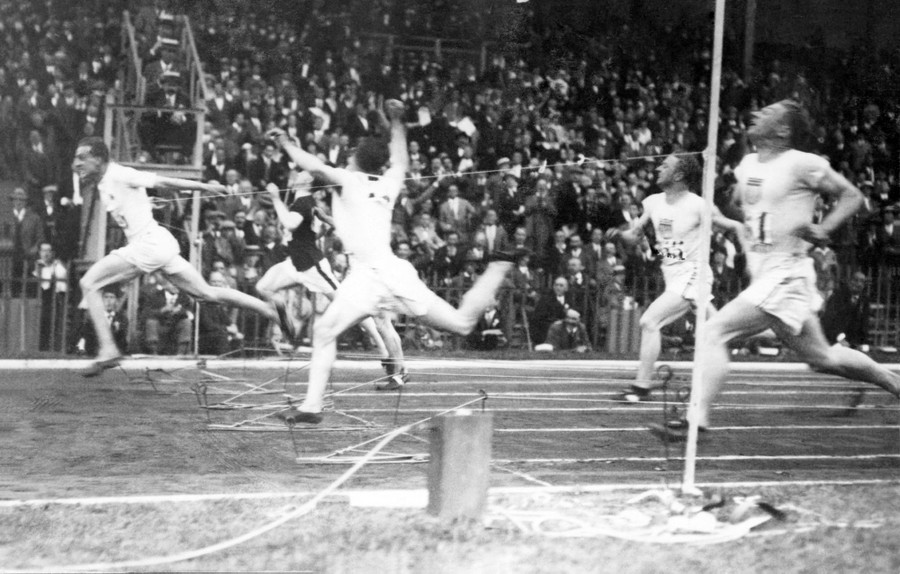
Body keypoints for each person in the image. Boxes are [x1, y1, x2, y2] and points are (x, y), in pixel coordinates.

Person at [654, 100, 900, 442]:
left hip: (786, 272)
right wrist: (719, 189)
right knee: (822, 358)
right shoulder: (749, 163)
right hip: (767, 274)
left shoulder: (802, 163)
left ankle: (697, 422)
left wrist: (824, 228)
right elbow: (740, 205)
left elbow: (852, 196)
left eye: (767, 113)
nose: (756, 114)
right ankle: (894, 383)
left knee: (713, 332)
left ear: (783, 130)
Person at [265, 99, 515, 423]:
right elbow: (400, 159)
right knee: (460, 322)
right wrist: (397, 121)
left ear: (355, 156)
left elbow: (313, 165)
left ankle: (314, 405)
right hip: (380, 271)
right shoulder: (388, 182)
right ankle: (498, 267)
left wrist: (285, 142)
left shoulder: (347, 179)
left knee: (327, 331)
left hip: (374, 273)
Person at [72, 136, 284, 376]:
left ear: (99, 160)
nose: (76, 164)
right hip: (156, 244)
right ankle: (267, 309)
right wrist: (147, 202)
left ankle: (109, 348)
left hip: (148, 245)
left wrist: (205, 187)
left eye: (82, 158)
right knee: (206, 293)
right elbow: (133, 202)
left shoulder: (120, 174)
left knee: (89, 282)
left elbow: (165, 181)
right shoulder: (104, 183)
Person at [253, 167, 407, 389]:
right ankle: (287, 326)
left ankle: (386, 354)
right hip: (295, 262)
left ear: (308, 183)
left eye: (303, 173)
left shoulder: (303, 203)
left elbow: (290, 223)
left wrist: (276, 198)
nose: (298, 173)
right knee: (263, 287)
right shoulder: (305, 203)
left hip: (314, 266)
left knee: (351, 306)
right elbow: (319, 228)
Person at [610, 153, 744, 402]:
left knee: (650, 321)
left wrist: (744, 236)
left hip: (694, 274)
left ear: (680, 175)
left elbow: (730, 225)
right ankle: (773, 329)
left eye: (665, 165)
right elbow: (634, 235)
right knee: (720, 328)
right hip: (673, 276)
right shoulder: (652, 202)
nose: (659, 168)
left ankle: (641, 386)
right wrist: (619, 235)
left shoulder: (698, 205)